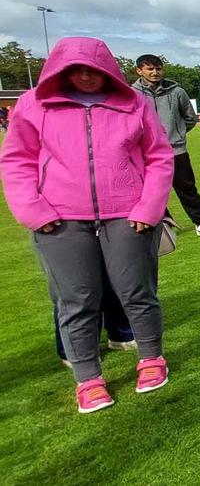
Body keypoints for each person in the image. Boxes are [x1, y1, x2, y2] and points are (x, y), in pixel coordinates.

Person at [0, 37, 174, 413]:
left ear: (107, 69)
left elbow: (159, 156)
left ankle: (151, 358)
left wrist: (148, 208)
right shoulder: (34, 104)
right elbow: (17, 161)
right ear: (59, 70)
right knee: (76, 299)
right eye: (74, 69)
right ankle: (88, 378)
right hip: (60, 219)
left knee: (137, 292)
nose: (84, 75)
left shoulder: (134, 103)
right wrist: (34, 211)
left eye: (93, 69)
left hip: (127, 214)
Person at [132, 55, 200, 238]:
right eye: (150, 69)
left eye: (158, 68)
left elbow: (190, 118)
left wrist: (176, 134)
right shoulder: (132, 94)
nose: (155, 72)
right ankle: (165, 222)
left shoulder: (177, 92)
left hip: (175, 150)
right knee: (151, 189)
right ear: (139, 71)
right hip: (145, 152)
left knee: (187, 187)